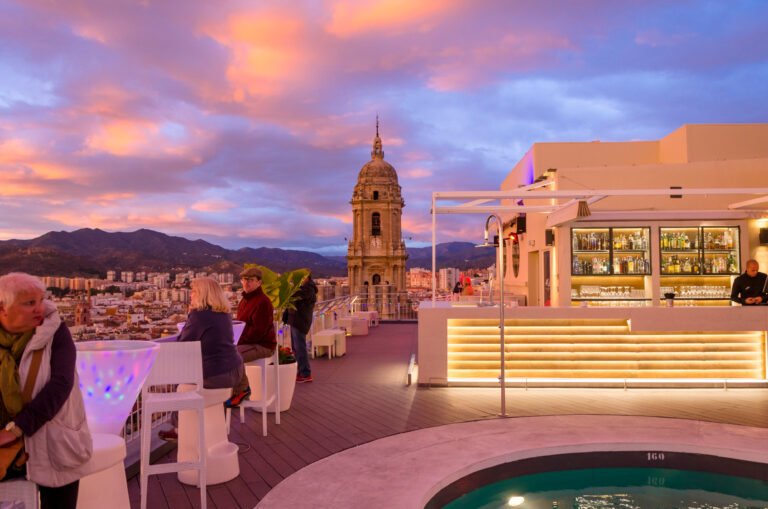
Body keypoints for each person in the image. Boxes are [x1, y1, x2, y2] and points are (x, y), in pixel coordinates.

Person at [0, 272, 93, 509]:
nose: (39, 308)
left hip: (55, 446)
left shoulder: (57, 333)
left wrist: (16, 428)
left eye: (41, 300)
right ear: (3, 309)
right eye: (29, 303)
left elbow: (60, 386)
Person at [159, 277, 244, 441]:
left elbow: (183, 345)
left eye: (194, 291)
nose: (190, 295)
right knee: (185, 377)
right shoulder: (224, 313)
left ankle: (179, 430)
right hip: (235, 370)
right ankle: (183, 429)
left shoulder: (199, 316)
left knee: (181, 381)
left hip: (220, 375)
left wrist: (190, 315)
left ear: (203, 294)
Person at [227, 267, 276, 407]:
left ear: (259, 282)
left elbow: (257, 332)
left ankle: (242, 390)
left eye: (250, 280)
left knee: (232, 356)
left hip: (263, 346)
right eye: (244, 279)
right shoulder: (244, 301)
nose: (246, 283)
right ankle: (234, 391)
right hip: (248, 343)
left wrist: (237, 341)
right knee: (226, 353)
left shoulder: (262, 302)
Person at [283, 272, 317, 383]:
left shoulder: (308, 289)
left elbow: (292, 296)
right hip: (296, 321)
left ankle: (305, 373)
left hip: (300, 321)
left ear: (306, 277)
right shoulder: (305, 288)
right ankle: (300, 372)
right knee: (296, 348)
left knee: (300, 348)